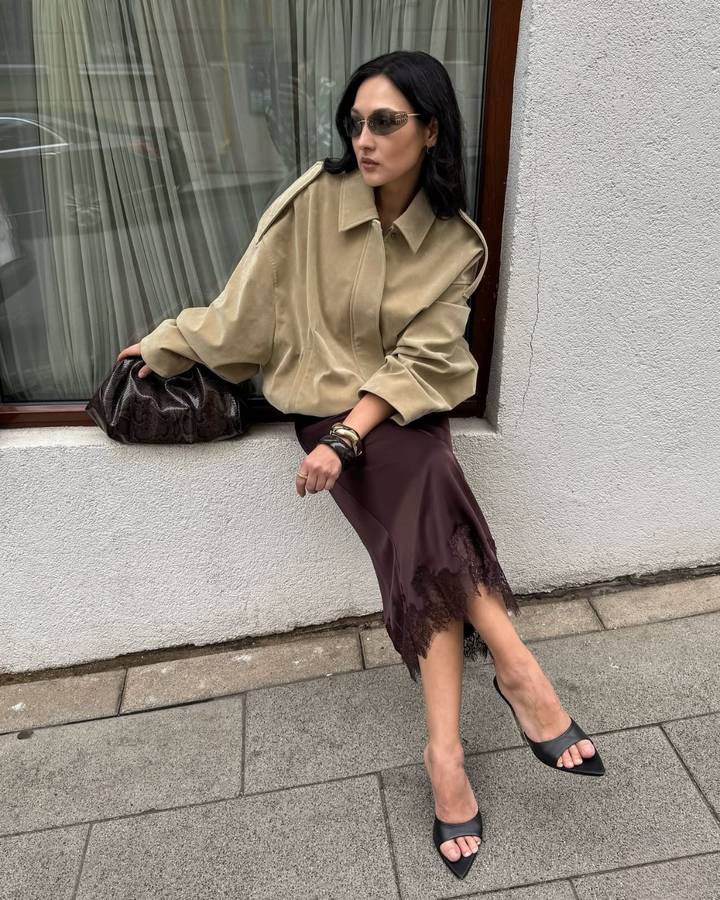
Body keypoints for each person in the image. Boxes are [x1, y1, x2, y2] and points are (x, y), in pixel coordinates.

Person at [118, 49, 605, 881]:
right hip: (326, 400)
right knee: (430, 489)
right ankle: (518, 671)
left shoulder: (456, 243)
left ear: (431, 129)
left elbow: (427, 357)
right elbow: (246, 311)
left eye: (385, 122)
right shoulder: (314, 203)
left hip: (399, 412)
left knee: (419, 488)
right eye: (356, 122)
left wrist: (350, 440)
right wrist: (167, 346)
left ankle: (446, 753)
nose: (365, 139)